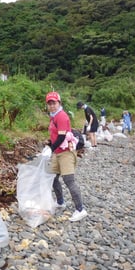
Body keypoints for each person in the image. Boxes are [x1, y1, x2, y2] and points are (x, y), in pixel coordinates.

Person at [46, 92, 88, 222]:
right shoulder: (53, 117)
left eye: (54, 103)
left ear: (59, 103)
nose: (52, 106)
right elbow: (55, 136)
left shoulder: (62, 116)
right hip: (57, 152)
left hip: (66, 153)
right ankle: (60, 202)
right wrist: (49, 146)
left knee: (69, 180)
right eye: (49, 103)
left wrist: (50, 149)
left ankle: (80, 210)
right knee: (53, 178)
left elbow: (62, 136)